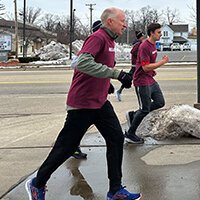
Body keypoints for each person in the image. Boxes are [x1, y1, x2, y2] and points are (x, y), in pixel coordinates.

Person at [25, 7, 142, 200]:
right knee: (66, 147)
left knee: (116, 138)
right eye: (122, 21)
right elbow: (83, 63)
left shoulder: (110, 41)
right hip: (82, 103)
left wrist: (107, 84)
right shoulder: (98, 37)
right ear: (110, 21)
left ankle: (115, 190)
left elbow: (97, 67)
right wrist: (116, 74)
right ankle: (37, 183)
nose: (125, 24)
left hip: (99, 102)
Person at [125, 23, 169, 144]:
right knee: (145, 109)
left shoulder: (154, 44)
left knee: (160, 102)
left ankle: (133, 115)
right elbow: (145, 67)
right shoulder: (144, 46)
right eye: (159, 32)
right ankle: (130, 134)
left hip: (150, 79)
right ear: (151, 33)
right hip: (141, 81)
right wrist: (162, 62)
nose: (161, 34)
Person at [71, 20, 102, 159]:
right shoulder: (92, 43)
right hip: (84, 93)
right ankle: (72, 146)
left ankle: (72, 145)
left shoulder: (103, 43)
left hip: (96, 92)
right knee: (76, 126)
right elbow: (76, 64)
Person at [115, 31, 145, 101]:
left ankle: (119, 91)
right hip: (135, 65)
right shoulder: (138, 44)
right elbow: (133, 51)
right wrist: (139, 55)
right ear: (140, 37)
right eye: (142, 36)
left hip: (138, 65)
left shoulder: (139, 43)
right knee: (130, 79)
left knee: (134, 79)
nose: (144, 38)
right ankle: (119, 91)